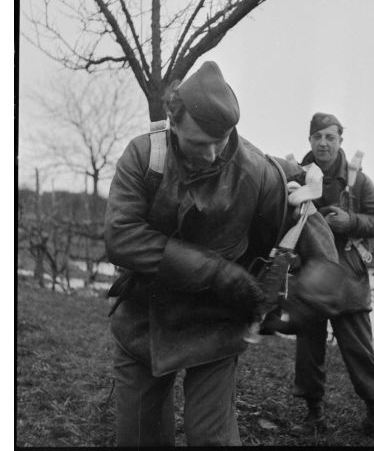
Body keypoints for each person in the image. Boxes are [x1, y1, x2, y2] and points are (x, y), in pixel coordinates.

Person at [104, 62, 337, 446]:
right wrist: (216, 272)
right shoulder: (145, 156)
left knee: (211, 437)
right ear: (173, 123)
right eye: (199, 143)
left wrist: (305, 295)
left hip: (216, 321)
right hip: (143, 316)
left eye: (222, 139)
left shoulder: (257, 170)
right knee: (139, 438)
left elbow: (311, 228)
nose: (213, 155)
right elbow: (121, 236)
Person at [290, 112, 374, 446]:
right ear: (309, 140)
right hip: (311, 276)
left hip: (349, 276)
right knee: (309, 350)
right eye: (317, 137)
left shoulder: (358, 181)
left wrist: (350, 221)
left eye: (330, 137)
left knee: (359, 350)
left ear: (340, 140)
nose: (324, 143)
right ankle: (314, 416)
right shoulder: (296, 175)